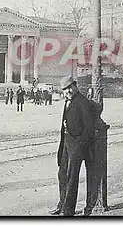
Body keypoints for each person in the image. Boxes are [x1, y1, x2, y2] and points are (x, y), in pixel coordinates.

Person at [50, 76, 94, 217]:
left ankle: (68, 211)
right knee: (62, 174)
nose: (68, 91)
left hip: (76, 145)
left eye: (70, 88)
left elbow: (88, 128)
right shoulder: (68, 102)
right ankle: (62, 205)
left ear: (75, 86)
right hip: (66, 143)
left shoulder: (82, 102)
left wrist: (80, 145)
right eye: (65, 89)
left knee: (71, 177)